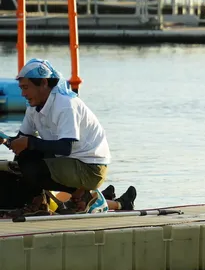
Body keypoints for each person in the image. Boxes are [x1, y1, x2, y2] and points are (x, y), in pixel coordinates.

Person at [1, 59, 136, 215]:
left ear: (44, 83)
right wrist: (5, 140)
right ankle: (50, 199)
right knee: (23, 157)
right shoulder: (33, 107)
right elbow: (19, 142)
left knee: (28, 162)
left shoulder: (65, 104)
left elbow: (65, 147)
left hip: (91, 168)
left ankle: (77, 194)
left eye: (26, 88)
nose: (23, 94)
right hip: (69, 162)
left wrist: (29, 142)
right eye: (21, 88)